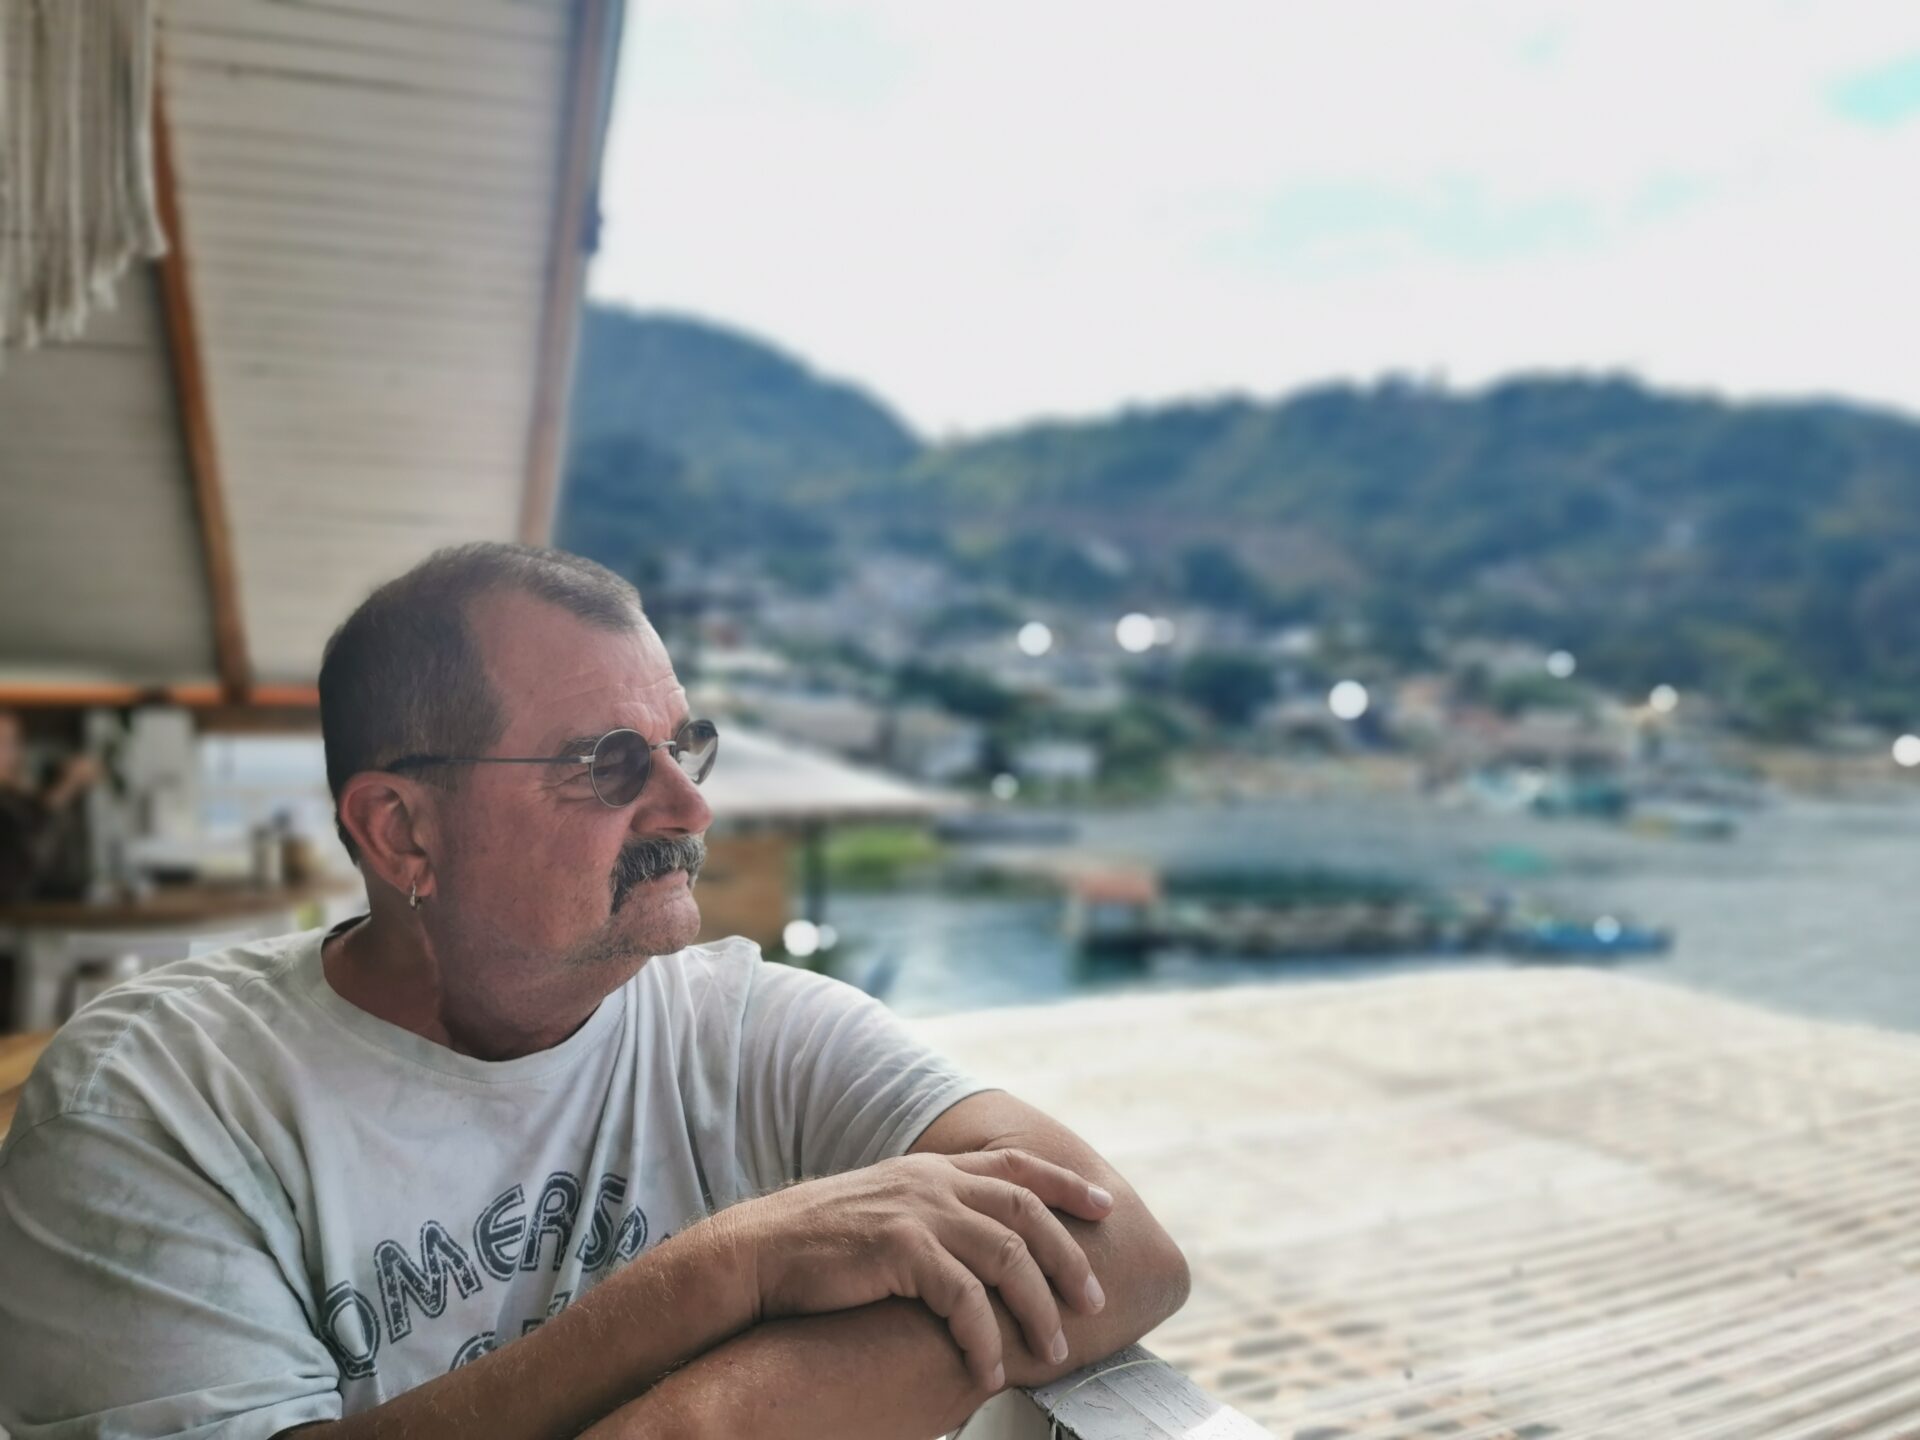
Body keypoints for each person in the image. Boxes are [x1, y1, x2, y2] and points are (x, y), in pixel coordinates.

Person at [0, 544, 1190, 1439]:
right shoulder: (157, 1100)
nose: (689, 806)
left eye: (682, 745)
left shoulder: (741, 1027)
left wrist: (706, 1420)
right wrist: (726, 1274)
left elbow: (1123, 1247)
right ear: (403, 831)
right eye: (608, 763)